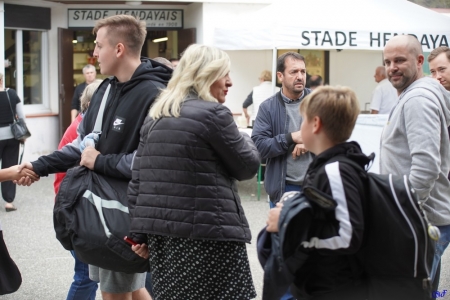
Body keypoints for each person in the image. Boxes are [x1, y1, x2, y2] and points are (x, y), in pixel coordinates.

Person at [16, 14, 172, 300]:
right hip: (100, 212)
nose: (94, 53)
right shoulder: (104, 89)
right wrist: (38, 166)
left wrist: (99, 161)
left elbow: (155, 163)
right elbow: (82, 147)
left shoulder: (156, 95)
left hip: (127, 216)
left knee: (116, 294)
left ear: (119, 49)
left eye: (99, 46)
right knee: (133, 290)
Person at [128, 44, 260, 300]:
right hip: (209, 237)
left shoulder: (156, 116)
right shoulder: (213, 114)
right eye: (225, 74)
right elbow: (247, 166)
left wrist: (139, 235)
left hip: (165, 241)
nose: (230, 82)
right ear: (206, 75)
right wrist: (247, 138)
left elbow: (139, 180)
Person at [266, 85, 370, 300]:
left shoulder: (335, 170)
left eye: (303, 119)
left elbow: (348, 235)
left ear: (315, 124)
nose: (300, 125)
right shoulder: (329, 165)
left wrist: (290, 227)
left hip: (333, 286)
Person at [381, 35, 450, 297]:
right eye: (387, 61)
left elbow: (426, 167)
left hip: (420, 221)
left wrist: (403, 213)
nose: (392, 67)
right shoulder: (414, 96)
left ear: (419, 60)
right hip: (422, 220)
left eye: (399, 60)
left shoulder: (418, 100)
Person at [252, 52, 313, 300]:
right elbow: (259, 146)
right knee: (285, 255)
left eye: (302, 71)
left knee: (314, 252)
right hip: (284, 189)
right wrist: (291, 138)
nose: (300, 76)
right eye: (293, 72)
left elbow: (335, 135)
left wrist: (309, 139)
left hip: (315, 188)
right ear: (280, 76)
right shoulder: (268, 108)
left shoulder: (318, 101)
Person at [54, 79, 102, 300]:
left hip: (77, 208)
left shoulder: (88, 125)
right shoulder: (82, 129)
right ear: (92, 103)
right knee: (85, 276)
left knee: (89, 276)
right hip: (76, 210)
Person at [0, 73, 30, 212]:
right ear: (1, 79)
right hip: (12, 137)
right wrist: (23, 135)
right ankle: (9, 202)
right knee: (10, 167)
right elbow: (21, 116)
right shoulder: (11, 94)